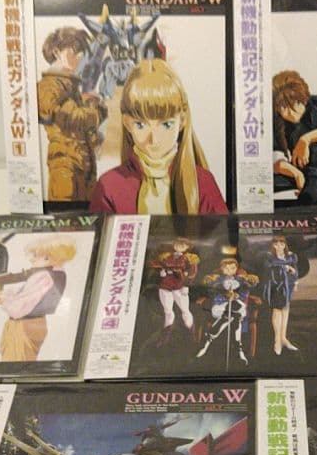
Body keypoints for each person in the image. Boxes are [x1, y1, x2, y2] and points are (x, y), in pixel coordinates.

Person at [90, 59, 227, 214]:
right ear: (127, 123)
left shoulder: (203, 183)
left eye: (166, 125)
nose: (154, 139)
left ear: (182, 121)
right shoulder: (109, 186)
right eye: (141, 125)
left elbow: (222, 230)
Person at [38, 27, 108, 201]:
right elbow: (72, 118)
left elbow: (81, 125)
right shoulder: (48, 86)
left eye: (82, 52)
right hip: (64, 164)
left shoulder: (69, 85)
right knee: (64, 210)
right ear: (56, 52)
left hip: (84, 164)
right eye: (75, 51)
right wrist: (96, 111)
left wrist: (95, 138)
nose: (80, 57)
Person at [0, 235, 77, 361]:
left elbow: (19, 308)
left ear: (47, 257)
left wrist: (3, 300)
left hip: (23, 325)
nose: (32, 259)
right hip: (37, 323)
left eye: (35, 255)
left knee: (15, 362)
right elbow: (26, 297)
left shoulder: (43, 276)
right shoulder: (59, 273)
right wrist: (5, 296)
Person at [271, 70, 317, 204]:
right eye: (283, 107)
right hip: (293, 171)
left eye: (295, 103)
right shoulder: (277, 122)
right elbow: (276, 158)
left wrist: (305, 140)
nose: (291, 112)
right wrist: (296, 174)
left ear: (303, 98)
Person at [196, 258, 257, 364]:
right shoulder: (216, 280)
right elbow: (212, 291)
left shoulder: (241, 280)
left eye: (232, 268)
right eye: (227, 268)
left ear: (236, 269)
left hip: (237, 306)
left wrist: (237, 295)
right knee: (236, 315)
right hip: (220, 307)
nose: (230, 271)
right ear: (222, 269)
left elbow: (247, 289)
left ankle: (207, 341)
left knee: (236, 309)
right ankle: (239, 351)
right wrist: (224, 294)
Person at [149, 238, 199, 345]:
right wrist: (161, 272)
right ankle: (165, 338)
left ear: (187, 247)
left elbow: (192, 273)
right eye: (177, 244)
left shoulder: (190, 258)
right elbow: (156, 266)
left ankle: (192, 335)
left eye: (183, 245)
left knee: (185, 310)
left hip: (179, 286)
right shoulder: (166, 256)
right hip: (165, 285)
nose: (179, 247)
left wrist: (186, 285)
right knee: (168, 312)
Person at [262, 235, 299, 355]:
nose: (279, 246)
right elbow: (269, 266)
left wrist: (295, 280)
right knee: (277, 310)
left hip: (288, 285)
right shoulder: (269, 257)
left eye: (282, 244)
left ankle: (284, 339)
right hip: (275, 286)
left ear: (285, 245)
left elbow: (295, 271)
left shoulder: (291, 256)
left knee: (285, 310)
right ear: (273, 245)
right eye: (276, 244)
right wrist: (285, 266)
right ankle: (277, 341)